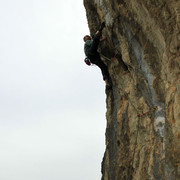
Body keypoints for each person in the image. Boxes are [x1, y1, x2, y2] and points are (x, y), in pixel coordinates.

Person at [83, 22, 110, 87]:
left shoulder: (87, 44)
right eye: (86, 38)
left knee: (103, 67)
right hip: (91, 53)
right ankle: (100, 28)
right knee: (95, 39)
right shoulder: (87, 42)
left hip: (93, 58)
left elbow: (96, 43)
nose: (87, 38)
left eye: (87, 37)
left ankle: (107, 83)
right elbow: (94, 42)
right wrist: (102, 39)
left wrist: (103, 39)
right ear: (85, 40)